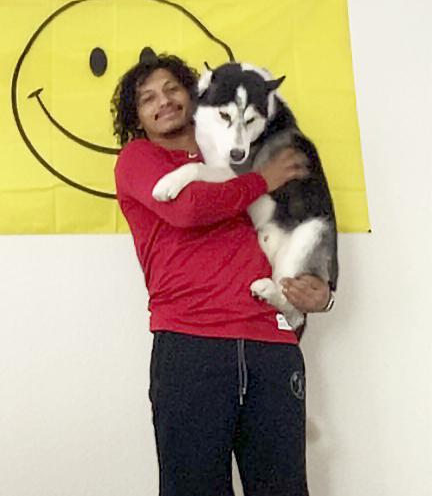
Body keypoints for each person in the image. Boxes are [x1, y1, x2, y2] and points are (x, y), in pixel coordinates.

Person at [112, 54, 332, 496]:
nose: (164, 102)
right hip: (191, 345)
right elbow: (190, 207)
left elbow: (301, 211)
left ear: (194, 95)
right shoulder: (139, 158)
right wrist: (260, 180)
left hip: (272, 343)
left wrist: (323, 291)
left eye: (172, 89)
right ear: (135, 117)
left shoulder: (241, 147)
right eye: (147, 98)